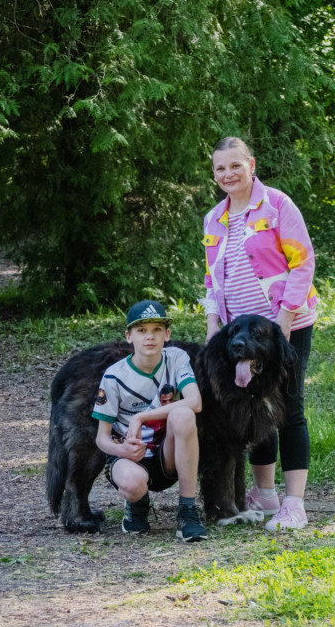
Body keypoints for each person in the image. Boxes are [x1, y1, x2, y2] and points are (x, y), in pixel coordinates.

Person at [200, 136, 318, 531]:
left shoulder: (278, 205)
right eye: (220, 168)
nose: (228, 174)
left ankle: (294, 503)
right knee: (252, 404)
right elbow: (213, 279)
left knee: (289, 407)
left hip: (283, 326)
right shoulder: (213, 218)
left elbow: (303, 262)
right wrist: (214, 324)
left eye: (235, 165)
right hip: (239, 334)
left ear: (251, 164)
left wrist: (284, 320)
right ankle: (265, 494)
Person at [91, 300, 208, 542]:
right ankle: (138, 505)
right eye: (142, 330)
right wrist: (119, 448)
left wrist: (140, 417)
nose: (150, 337)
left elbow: (195, 402)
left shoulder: (176, 358)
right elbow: (101, 438)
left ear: (167, 334)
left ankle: (187, 511)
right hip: (130, 456)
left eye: (157, 329)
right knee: (133, 482)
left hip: (167, 455)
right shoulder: (113, 376)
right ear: (128, 336)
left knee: (184, 414)